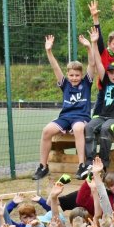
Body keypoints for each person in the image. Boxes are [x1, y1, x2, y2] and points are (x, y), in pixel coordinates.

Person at [33, 34, 95, 180]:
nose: (74, 78)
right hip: (66, 117)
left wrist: (88, 47)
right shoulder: (65, 84)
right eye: (72, 75)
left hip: (81, 117)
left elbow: (92, 64)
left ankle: (82, 165)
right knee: (47, 130)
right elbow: (55, 66)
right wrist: (49, 51)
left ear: (81, 75)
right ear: (67, 75)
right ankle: (43, 166)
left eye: (77, 75)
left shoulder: (86, 83)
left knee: (79, 128)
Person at [84, 27, 114, 170]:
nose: (113, 75)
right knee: (89, 127)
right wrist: (94, 43)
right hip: (104, 115)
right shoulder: (105, 80)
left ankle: (104, 163)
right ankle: (90, 163)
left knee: (106, 129)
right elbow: (99, 63)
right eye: (111, 72)